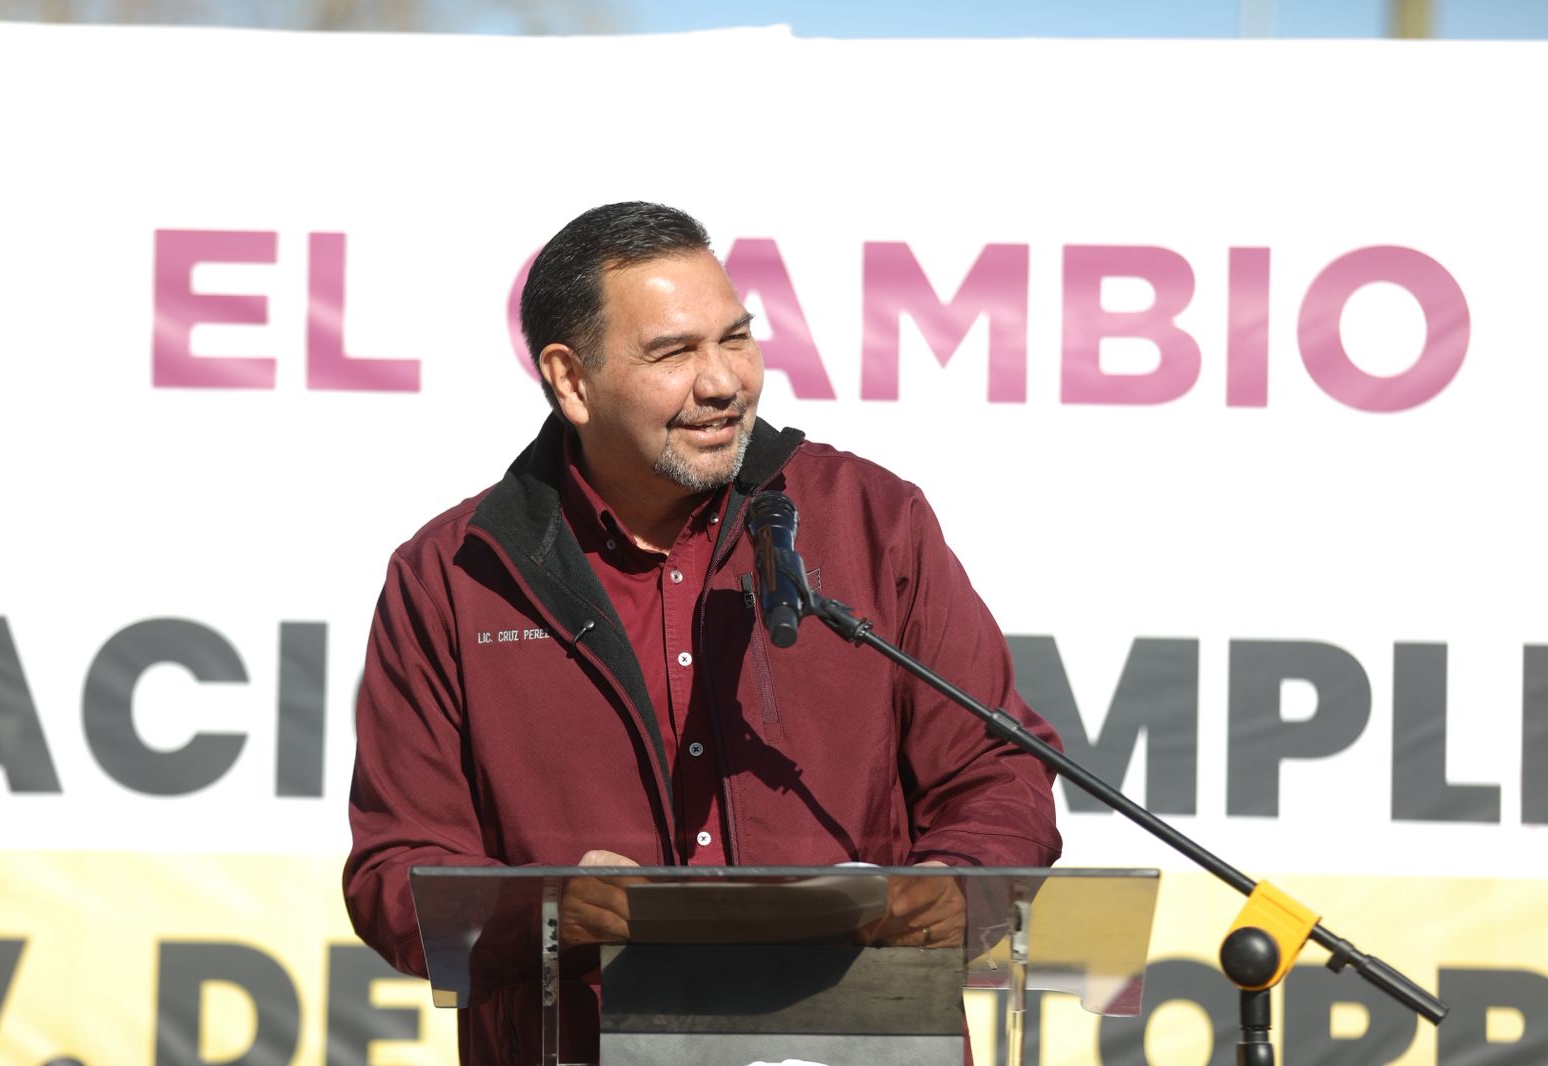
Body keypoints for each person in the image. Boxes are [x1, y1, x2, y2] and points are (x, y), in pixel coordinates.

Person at [343, 201, 1062, 1064]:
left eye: (737, 338)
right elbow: (395, 874)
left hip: (859, 1042)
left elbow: (998, 770)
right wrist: (544, 910)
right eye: (674, 352)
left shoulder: (873, 522)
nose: (723, 382)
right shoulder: (454, 577)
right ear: (571, 381)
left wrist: (957, 883)